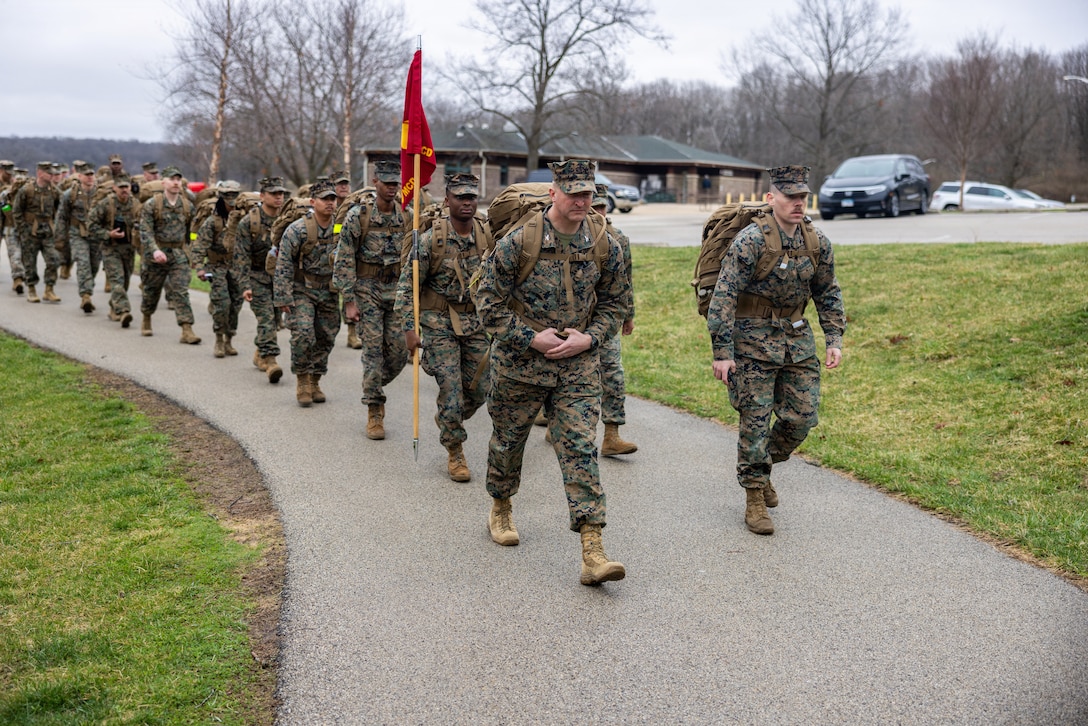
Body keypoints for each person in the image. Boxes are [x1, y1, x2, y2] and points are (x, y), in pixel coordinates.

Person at [474, 159, 630, 586]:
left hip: (577, 367)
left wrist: (590, 338)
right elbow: (487, 303)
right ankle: (501, 504)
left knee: (580, 448)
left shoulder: (602, 241)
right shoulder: (519, 242)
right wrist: (530, 337)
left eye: (588, 193)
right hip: (519, 366)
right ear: (553, 193)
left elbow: (617, 303)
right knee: (508, 443)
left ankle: (592, 549)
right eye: (574, 193)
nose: (583, 201)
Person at [707, 165, 846, 535]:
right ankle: (754, 496)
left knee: (801, 419)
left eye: (803, 197)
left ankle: (763, 466)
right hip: (751, 342)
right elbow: (724, 295)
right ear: (772, 199)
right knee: (754, 421)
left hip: (798, 343)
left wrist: (834, 339)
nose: (798, 204)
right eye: (791, 197)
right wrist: (722, 351)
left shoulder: (816, 242)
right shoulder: (750, 241)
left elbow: (828, 293)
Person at [393, 172, 491, 482]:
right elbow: (407, 287)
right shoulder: (431, 239)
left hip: (475, 323)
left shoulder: (487, 235)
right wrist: (410, 329)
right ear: (446, 200)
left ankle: (449, 419)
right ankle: (455, 450)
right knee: (451, 388)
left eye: (471, 197)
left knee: (482, 386)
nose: (467, 202)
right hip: (438, 325)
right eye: (460, 197)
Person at [333, 159, 412, 439]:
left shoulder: (407, 216)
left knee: (400, 352)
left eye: (396, 183)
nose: (392, 188)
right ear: (376, 182)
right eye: (387, 183)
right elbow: (344, 258)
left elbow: (414, 259)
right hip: (367, 290)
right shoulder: (359, 216)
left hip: (396, 292)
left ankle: (374, 382)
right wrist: (349, 299)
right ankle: (374, 410)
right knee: (373, 351)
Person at [274, 179, 340, 407]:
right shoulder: (298, 229)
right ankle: (302, 380)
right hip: (302, 290)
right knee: (303, 334)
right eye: (325, 199)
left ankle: (315, 380)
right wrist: (283, 296)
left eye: (333, 199)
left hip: (329, 291)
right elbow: (283, 263)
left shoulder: (341, 228)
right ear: (313, 202)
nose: (330, 203)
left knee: (326, 336)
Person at [590, 184, 638, 456]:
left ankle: (611, 434)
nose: (597, 212)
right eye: (592, 206)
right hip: (573, 319)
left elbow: (625, 282)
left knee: (613, 375)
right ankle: (554, 422)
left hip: (606, 318)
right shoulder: (571, 235)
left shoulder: (618, 238)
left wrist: (628, 315)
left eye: (601, 207)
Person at [138, 165, 201, 343]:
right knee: (151, 291)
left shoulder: (187, 206)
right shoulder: (153, 204)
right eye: (172, 179)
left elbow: (193, 232)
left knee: (180, 291)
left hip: (179, 254)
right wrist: (155, 250)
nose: (175, 183)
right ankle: (146, 317)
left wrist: (193, 252)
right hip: (155, 255)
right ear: (163, 182)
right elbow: (146, 231)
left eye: (178, 180)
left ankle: (186, 329)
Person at [234, 176, 286, 384]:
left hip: (280, 279)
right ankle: (271, 360)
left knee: (274, 321)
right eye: (274, 193)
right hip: (256, 277)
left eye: (281, 193)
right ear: (262, 196)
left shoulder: (286, 219)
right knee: (265, 318)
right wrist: (244, 285)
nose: (278, 197)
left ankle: (260, 353)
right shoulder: (250, 222)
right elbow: (240, 256)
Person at [192, 180, 245, 358]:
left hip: (237, 268)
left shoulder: (243, 221)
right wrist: (199, 267)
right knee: (222, 304)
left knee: (236, 305)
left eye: (234, 196)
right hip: (217, 267)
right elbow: (200, 245)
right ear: (221, 198)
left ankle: (230, 339)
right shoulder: (212, 222)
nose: (231, 200)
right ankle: (219, 339)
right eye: (228, 196)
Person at [88, 175, 140, 327]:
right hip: (111, 249)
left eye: (127, 187)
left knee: (124, 282)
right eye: (121, 187)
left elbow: (144, 224)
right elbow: (91, 225)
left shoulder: (136, 205)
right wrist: (107, 234)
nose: (124, 190)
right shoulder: (106, 204)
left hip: (129, 249)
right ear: (114, 188)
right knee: (117, 281)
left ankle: (113, 307)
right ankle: (124, 311)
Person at [13, 161, 62, 303]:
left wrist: (56, 226)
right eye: (49, 173)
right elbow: (16, 210)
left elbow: (61, 207)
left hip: (48, 232)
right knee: (29, 262)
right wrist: (22, 229)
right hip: (30, 232)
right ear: (40, 173)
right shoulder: (26, 190)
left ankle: (49, 289)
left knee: (54, 259)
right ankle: (31, 289)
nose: (52, 176)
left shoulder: (54, 191)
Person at [55, 162, 101, 313]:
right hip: (77, 233)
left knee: (94, 266)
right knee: (83, 262)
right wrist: (60, 238)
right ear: (79, 177)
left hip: (96, 234)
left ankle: (87, 287)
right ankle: (86, 296)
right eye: (86, 175)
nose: (89, 178)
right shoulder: (70, 194)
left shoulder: (101, 193)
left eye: (91, 175)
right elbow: (62, 217)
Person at [332, 168, 363, 350]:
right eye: (339, 184)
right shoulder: (327, 203)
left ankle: (352, 334)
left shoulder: (354, 206)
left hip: (347, 256)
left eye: (346, 184)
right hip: (327, 255)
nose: (343, 188)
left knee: (349, 293)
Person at [0, 160, 27, 293]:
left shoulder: (19, 189)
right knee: (14, 253)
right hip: (8, 225)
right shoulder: (6, 191)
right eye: (7, 173)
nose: (10, 176)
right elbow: (4, 206)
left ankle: (19, 278)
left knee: (20, 254)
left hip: (14, 225)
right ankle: (18, 278)